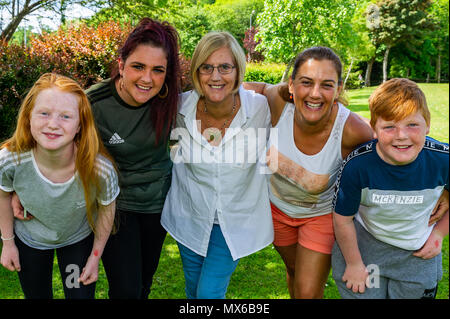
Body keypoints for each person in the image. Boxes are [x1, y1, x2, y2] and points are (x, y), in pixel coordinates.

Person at [12, 18, 181, 299]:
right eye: (138, 66)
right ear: (121, 64)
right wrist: (22, 187)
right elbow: (47, 137)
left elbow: (221, 93)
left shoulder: (172, 100)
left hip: (156, 205)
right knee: (125, 289)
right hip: (115, 206)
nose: (147, 78)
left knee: (142, 286)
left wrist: (271, 91)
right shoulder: (93, 103)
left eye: (158, 70)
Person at [161, 31, 273, 299]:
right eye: (206, 67)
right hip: (188, 215)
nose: (215, 76)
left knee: (209, 293)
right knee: (193, 290)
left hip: (234, 220)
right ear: (197, 71)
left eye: (225, 67)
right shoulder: (179, 107)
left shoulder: (260, 108)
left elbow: (301, 97)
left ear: (238, 70)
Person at [0, 73, 119, 299]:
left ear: (79, 126)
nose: (53, 124)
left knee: (79, 296)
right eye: (44, 113)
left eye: (65, 116)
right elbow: (3, 196)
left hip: (76, 239)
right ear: (28, 118)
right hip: (31, 240)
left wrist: (95, 257)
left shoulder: (99, 170)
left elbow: (107, 209)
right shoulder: (9, 161)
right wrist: (8, 243)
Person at [331, 78, 449, 299]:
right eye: (389, 126)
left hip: (417, 253)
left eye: (412, 125)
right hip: (366, 249)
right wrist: (354, 263)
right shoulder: (357, 166)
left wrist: (439, 234)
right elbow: (342, 219)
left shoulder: (443, 160)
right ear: (374, 129)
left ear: (428, 124)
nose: (401, 136)